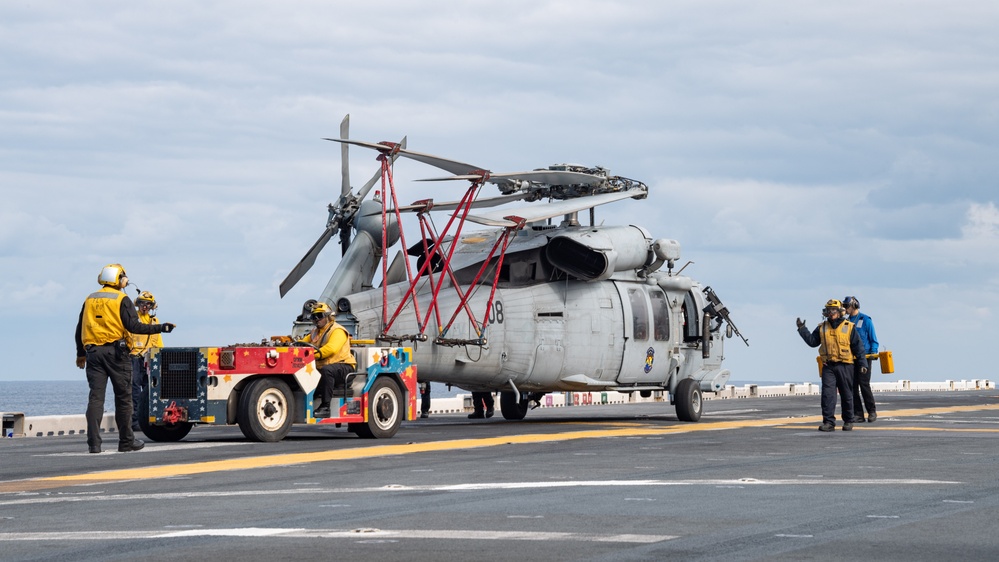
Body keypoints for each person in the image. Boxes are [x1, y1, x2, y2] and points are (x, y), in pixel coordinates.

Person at [75, 264, 175, 453]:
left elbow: (80, 328)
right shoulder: (122, 298)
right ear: (120, 279)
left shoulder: (89, 299)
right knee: (124, 398)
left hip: (93, 354)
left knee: (95, 399)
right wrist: (160, 328)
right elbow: (134, 327)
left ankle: (94, 444)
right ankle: (126, 441)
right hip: (117, 354)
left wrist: (80, 354)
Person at [797, 299, 867, 432]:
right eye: (828, 310)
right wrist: (802, 329)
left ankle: (848, 421)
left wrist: (863, 364)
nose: (830, 313)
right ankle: (829, 422)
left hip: (846, 366)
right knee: (827, 395)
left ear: (840, 312)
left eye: (833, 310)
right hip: (828, 366)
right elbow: (813, 342)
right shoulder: (822, 327)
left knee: (847, 394)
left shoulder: (849, 327)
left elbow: (859, 347)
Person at [298, 301, 355, 418]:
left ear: (328, 317)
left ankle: (325, 407)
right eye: (314, 317)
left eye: (319, 316)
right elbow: (302, 343)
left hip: (344, 367)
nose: (316, 319)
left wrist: (311, 355)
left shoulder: (337, 330)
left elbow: (331, 349)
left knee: (326, 371)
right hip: (326, 367)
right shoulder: (315, 332)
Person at [130, 291, 164, 431]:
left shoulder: (154, 322)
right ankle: (135, 420)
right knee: (135, 388)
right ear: (137, 304)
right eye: (142, 303)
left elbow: (159, 342)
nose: (145, 306)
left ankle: (149, 418)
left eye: (148, 304)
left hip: (149, 358)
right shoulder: (133, 319)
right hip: (134, 357)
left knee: (149, 389)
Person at [844, 296, 879, 422]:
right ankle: (858, 414)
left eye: (846, 306)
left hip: (864, 357)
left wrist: (873, 353)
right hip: (851, 358)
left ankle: (872, 411)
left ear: (853, 306)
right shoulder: (846, 322)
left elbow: (873, 339)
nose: (845, 309)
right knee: (853, 386)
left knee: (864, 385)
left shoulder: (865, 320)